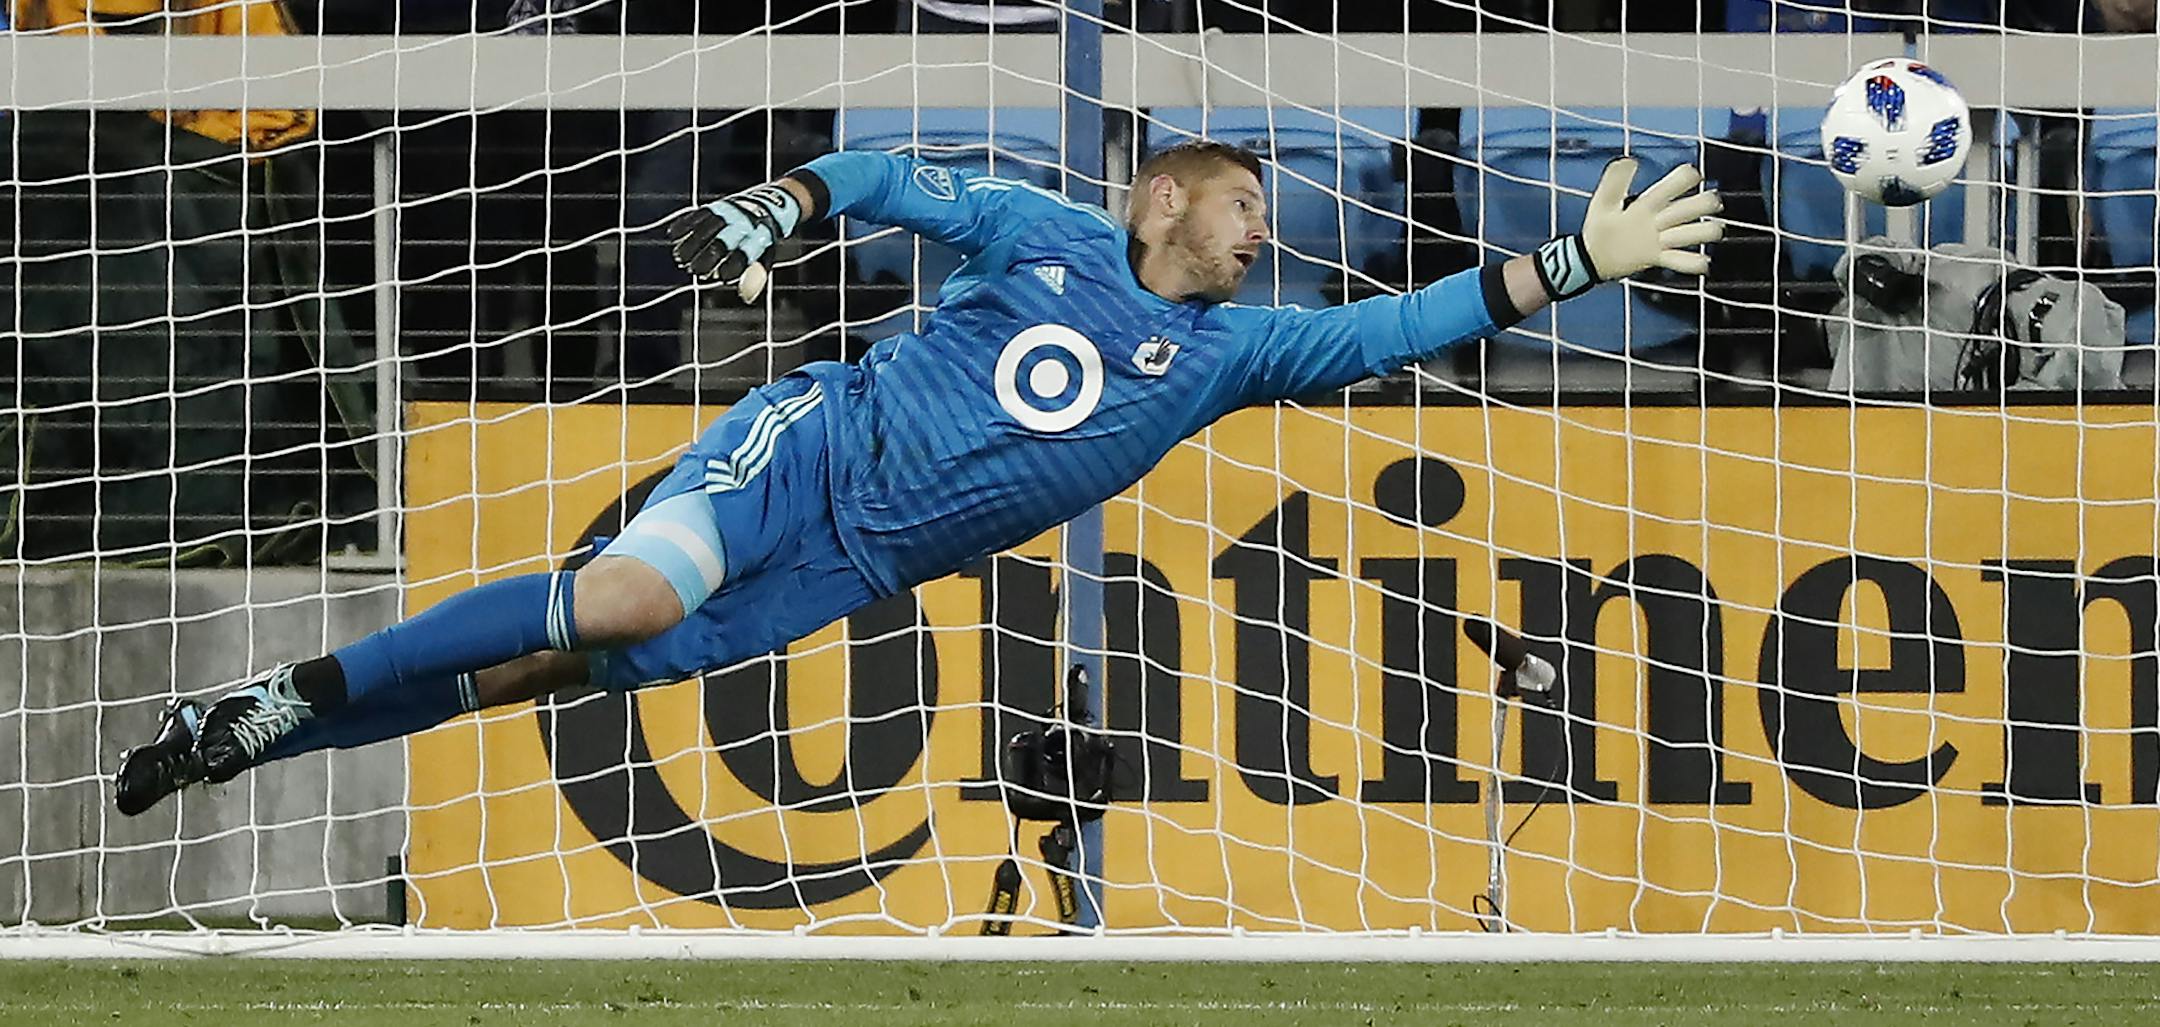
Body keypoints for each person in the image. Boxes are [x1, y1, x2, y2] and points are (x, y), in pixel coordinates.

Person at [113, 139, 1723, 814]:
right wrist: (778, 211)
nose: (1264, 233)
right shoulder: (1053, 236)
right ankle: (296, 686)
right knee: (622, 586)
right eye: (1242, 207)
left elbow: (1411, 324)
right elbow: (890, 174)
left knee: (552, 659)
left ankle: (242, 732)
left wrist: (1578, 258)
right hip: (809, 447)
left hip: (852, 572)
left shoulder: (1235, 357)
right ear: (1165, 200)